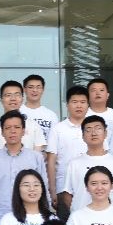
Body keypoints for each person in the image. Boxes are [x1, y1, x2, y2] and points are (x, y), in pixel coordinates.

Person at [0, 110, 45, 224]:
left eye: (17, 127)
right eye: (8, 128)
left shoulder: (36, 158)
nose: (12, 131)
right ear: (2, 132)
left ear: (23, 131)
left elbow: (43, 188)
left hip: (29, 217)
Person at [60, 116, 113, 212]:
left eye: (98, 128)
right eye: (88, 130)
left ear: (105, 133)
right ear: (83, 136)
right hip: (82, 217)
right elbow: (67, 194)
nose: (93, 133)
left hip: (111, 218)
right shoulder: (74, 164)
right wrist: (77, 212)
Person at [46, 86, 91, 217]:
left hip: (92, 188)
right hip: (64, 187)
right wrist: (52, 190)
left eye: (83, 102)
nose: (79, 106)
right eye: (74, 102)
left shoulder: (93, 128)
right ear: (67, 105)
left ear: (88, 105)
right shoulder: (58, 129)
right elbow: (51, 161)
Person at [0, 81, 46, 157]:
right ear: (1, 100)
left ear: (22, 99)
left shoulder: (34, 125)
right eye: (8, 95)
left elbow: (37, 156)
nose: (13, 99)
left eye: (17, 95)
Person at [21, 74, 59, 141]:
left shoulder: (51, 115)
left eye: (38, 87)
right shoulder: (18, 112)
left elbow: (55, 140)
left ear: (43, 90)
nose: (34, 90)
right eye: (30, 87)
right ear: (24, 89)